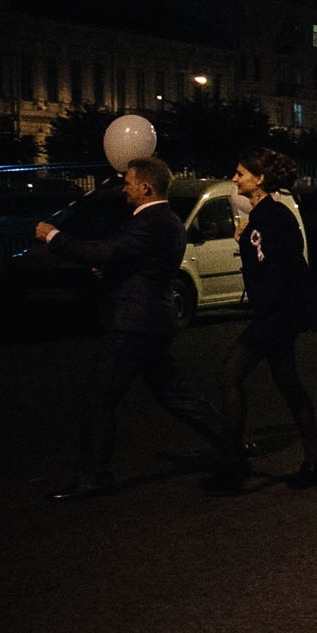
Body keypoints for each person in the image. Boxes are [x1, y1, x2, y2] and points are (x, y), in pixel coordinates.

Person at [34, 156, 233, 498]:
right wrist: (112, 270)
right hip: (153, 320)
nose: (124, 187)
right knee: (173, 392)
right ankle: (232, 441)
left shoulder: (149, 220)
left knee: (99, 396)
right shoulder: (167, 220)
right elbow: (142, 263)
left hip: (133, 323)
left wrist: (54, 236)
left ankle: (94, 476)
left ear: (145, 187)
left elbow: (105, 250)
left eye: (128, 182)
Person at [205, 147, 317, 492]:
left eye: (241, 174)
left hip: (276, 314)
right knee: (288, 383)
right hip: (277, 313)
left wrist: (250, 241)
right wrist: (245, 238)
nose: (235, 179)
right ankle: (316, 457)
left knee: (231, 373)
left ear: (259, 180)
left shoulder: (274, 217)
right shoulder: (264, 217)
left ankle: (232, 464)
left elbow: (280, 266)